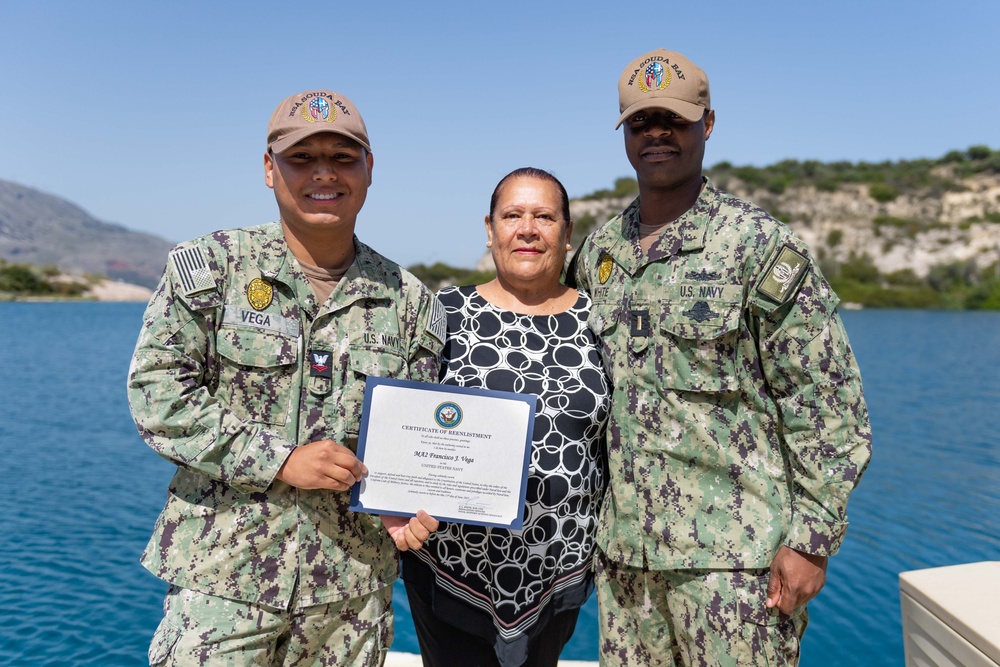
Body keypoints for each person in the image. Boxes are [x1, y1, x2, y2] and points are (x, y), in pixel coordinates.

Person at [570, 50, 873, 665]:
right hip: (627, 563)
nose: (656, 134)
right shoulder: (600, 252)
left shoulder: (757, 247)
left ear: (706, 125)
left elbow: (829, 406)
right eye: (640, 122)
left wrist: (811, 543)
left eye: (674, 121)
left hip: (735, 568)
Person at [127, 89, 445, 667]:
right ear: (269, 169)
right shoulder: (212, 268)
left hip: (350, 593)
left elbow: (413, 435)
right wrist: (277, 459)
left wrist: (398, 499)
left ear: (370, 170)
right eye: (302, 158)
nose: (324, 173)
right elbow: (159, 396)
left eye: (343, 158)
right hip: (224, 580)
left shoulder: (410, 302)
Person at [401, 168, 611, 667]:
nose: (528, 229)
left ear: (566, 230)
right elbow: (402, 423)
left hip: (558, 566)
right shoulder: (444, 313)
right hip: (451, 564)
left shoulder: (601, 321)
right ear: (490, 228)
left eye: (544, 216)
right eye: (512, 215)